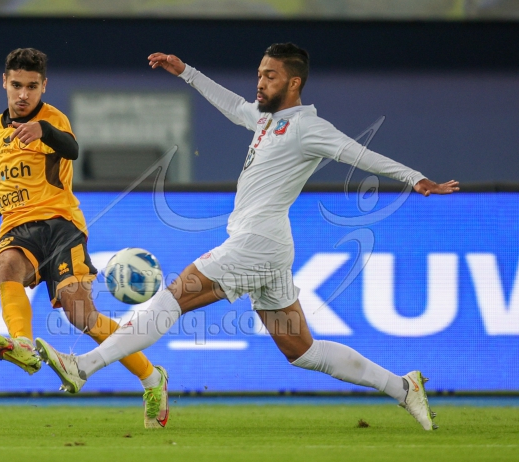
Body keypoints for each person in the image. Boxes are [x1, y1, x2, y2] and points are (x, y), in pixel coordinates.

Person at [37, 43, 460, 431]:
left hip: (256, 243)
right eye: (259, 74)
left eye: (270, 76)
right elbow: (232, 104)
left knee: (173, 298)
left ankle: (83, 367)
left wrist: (415, 178)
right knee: (302, 351)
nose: (260, 82)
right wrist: (186, 72)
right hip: (269, 246)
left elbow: (358, 153)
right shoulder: (265, 119)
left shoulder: (309, 127)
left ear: (293, 83)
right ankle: (403, 387)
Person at [0, 48, 169, 429]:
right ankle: (23, 344)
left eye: (32, 86)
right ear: (4, 82)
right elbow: (9, 179)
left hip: (60, 224)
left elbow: (72, 149)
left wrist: (43, 131)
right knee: (6, 264)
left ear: (44, 86)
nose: (24, 94)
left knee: (80, 315)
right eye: (17, 85)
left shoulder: (52, 119)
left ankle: (152, 378)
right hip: (17, 225)